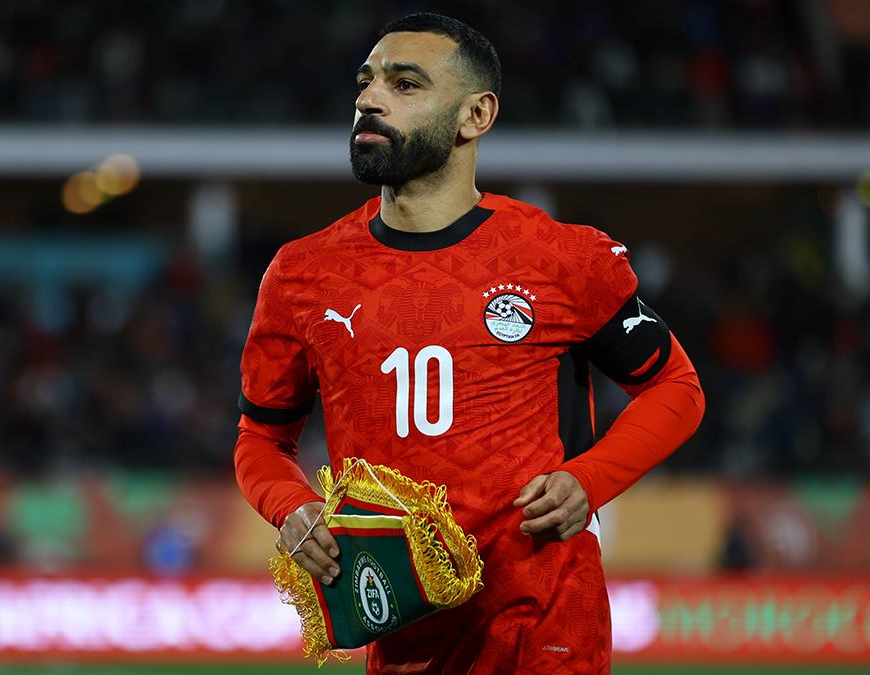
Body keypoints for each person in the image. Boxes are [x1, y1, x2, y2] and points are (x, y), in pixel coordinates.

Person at [232, 12, 706, 674]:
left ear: (475, 115)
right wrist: (293, 507)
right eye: (366, 82)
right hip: (404, 640)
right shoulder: (301, 275)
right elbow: (261, 438)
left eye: (405, 84)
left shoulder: (559, 258)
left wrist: (588, 479)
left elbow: (677, 388)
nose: (370, 99)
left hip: (545, 632)